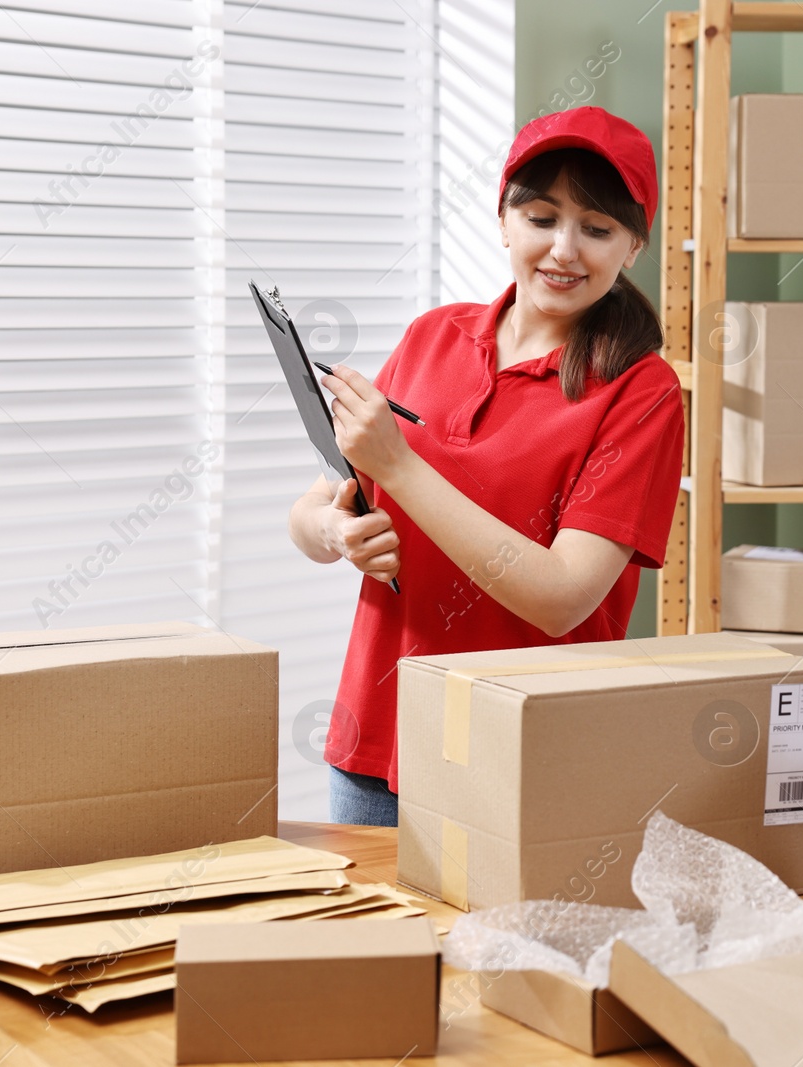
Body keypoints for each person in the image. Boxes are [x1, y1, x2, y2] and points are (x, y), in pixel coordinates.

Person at [287, 106, 685, 827]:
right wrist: (337, 534)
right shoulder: (432, 336)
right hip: (377, 742)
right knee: (366, 943)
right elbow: (310, 513)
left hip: (526, 762)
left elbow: (564, 596)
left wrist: (401, 469)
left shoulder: (642, 390)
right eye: (541, 217)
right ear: (504, 220)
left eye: (597, 230)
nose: (564, 249)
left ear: (632, 246)